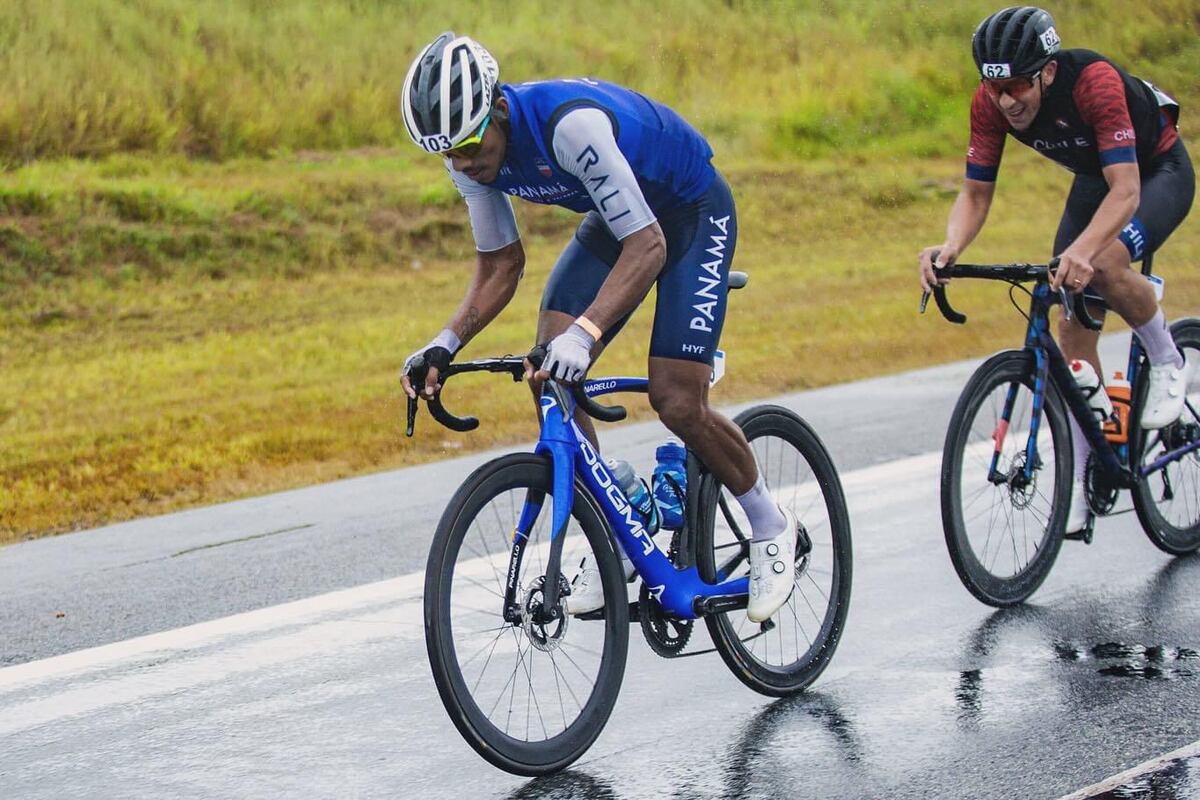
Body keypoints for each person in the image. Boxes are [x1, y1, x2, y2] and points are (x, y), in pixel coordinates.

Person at [398, 32, 797, 621]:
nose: (464, 162)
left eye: (471, 143)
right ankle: (623, 520)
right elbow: (501, 264)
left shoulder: (568, 128)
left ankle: (770, 526)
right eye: (448, 154)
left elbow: (650, 244)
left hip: (687, 212)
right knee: (546, 374)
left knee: (677, 399)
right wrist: (444, 342)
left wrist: (584, 334)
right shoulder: (471, 160)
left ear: (498, 108)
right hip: (620, 222)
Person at [918, 6, 1194, 535]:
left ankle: (1166, 358)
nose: (1005, 100)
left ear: (1046, 71)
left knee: (1104, 265)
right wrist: (949, 246)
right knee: (1070, 323)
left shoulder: (1095, 85)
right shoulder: (991, 102)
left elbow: (1129, 191)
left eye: (1018, 85)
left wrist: (1086, 250)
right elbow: (976, 193)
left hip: (1155, 172)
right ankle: (1095, 466)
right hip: (1097, 176)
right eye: (994, 86)